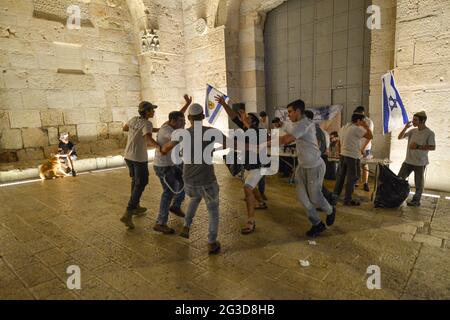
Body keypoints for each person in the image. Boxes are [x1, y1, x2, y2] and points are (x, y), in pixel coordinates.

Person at [163, 103, 224, 254]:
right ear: (203, 117)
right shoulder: (211, 132)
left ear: (188, 118)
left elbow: (165, 148)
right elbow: (233, 143)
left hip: (188, 181)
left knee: (195, 198)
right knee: (213, 210)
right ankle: (211, 242)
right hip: (207, 180)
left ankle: (187, 225)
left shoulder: (182, 134)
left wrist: (161, 149)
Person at [273, 100, 336, 238]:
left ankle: (330, 210)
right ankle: (317, 224)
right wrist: (281, 124)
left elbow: (286, 139)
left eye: (290, 112)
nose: (288, 114)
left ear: (297, 111)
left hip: (315, 167)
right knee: (304, 199)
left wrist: (262, 143)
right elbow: (289, 128)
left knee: (315, 198)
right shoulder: (296, 124)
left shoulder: (305, 124)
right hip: (302, 167)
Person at [216, 96, 268, 234]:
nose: (243, 119)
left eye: (248, 118)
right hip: (248, 167)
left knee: (247, 188)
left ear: (254, 122)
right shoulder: (246, 130)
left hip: (258, 167)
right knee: (252, 186)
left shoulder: (258, 132)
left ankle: (251, 221)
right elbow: (234, 117)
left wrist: (244, 119)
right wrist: (223, 104)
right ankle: (261, 202)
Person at [120, 101, 160, 230]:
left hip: (128, 156)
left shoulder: (133, 120)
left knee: (135, 182)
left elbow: (125, 128)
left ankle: (136, 206)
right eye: (152, 110)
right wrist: (160, 147)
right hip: (138, 158)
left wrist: (153, 130)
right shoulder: (147, 123)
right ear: (146, 112)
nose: (153, 112)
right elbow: (148, 139)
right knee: (141, 182)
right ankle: (128, 212)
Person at [332, 113, 373, 206]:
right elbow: (370, 136)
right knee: (352, 178)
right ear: (358, 120)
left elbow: (339, 143)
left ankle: (335, 196)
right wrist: (366, 127)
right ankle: (348, 200)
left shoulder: (344, 128)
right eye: (363, 121)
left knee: (340, 177)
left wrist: (340, 153)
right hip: (352, 157)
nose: (364, 123)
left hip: (343, 155)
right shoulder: (356, 128)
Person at [397, 111, 435, 207]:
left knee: (418, 183)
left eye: (415, 120)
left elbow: (432, 147)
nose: (413, 121)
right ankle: (397, 195)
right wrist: (405, 128)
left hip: (420, 162)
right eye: (413, 119)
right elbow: (399, 137)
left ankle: (416, 201)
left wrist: (418, 147)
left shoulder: (429, 133)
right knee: (399, 179)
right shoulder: (413, 131)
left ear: (422, 121)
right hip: (408, 161)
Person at [304, 110, 335, 205]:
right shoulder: (309, 129)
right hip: (311, 160)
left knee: (316, 185)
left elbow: (319, 145)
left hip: (315, 161)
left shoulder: (315, 129)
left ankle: (329, 199)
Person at [353, 106, 374, 192]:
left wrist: (363, 148)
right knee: (356, 164)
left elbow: (370, 137)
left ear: (362, 114)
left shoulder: (369, 122)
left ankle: (365, 183)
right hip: (356, 146)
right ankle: (356, 181)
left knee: (364, 165)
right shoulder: (356, 121)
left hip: (365, 147)